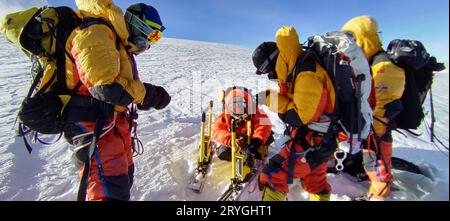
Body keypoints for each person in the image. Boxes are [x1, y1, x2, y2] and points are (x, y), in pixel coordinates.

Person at [63, 0, 170, 201]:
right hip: (93, 126)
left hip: (111, 123)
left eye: (155, 39)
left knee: (123, 180)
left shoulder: (117, 42)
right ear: (137, 25)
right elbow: (105, 88)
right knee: (109, 192)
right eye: (151, 35)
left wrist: (147, 95)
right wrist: (149, 94)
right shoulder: (96, 32)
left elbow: (119, 85)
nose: (149, 43)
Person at [252, 27, 337, 201]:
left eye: (269, 72)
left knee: (274, 174)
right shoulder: (297, 69)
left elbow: (301, 116)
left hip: (314, 140)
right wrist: (268, 97)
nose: (270, 76)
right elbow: (295, 101)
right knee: (315, 182)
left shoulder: (306, 73)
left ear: (273, 63)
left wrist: (270, 100)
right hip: (321, 138)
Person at [341, 16, 406, 200]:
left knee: (376, 159)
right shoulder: (369, 62)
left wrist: (367, 132)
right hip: (370, 124)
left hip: (377, 126)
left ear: (363, 38)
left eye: (353, 39)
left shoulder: (383, 65)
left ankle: (380, 191)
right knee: (371, 154)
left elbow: (383, 105)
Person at [213, 88, 273, 162]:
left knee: (258, 153)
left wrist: (257, 140)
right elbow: (217, 130)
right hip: (236, 139)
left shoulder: (255, 110)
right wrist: (230, 140)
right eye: (236, 117)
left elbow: (265, 125)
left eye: (243, 116)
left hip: (252, 138)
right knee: (223, 153)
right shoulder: (225, 114)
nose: (240, 119)